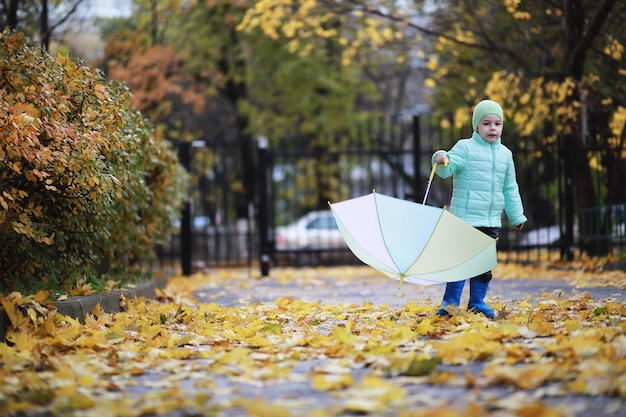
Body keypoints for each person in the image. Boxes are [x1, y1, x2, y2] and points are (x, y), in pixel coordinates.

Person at [431, 99, 527, 318]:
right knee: (460, 263)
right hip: (464, 220)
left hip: (490, 220)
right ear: (476, 125)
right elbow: (448, 167)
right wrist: (442, 158)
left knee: (483, 266)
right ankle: (449, 304)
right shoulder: (465, 147)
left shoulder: (505, 155)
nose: (492, 128)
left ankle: (477, 302)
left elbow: (510, 188)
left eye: (497, 123)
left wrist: (516, 215)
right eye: (486, 123)